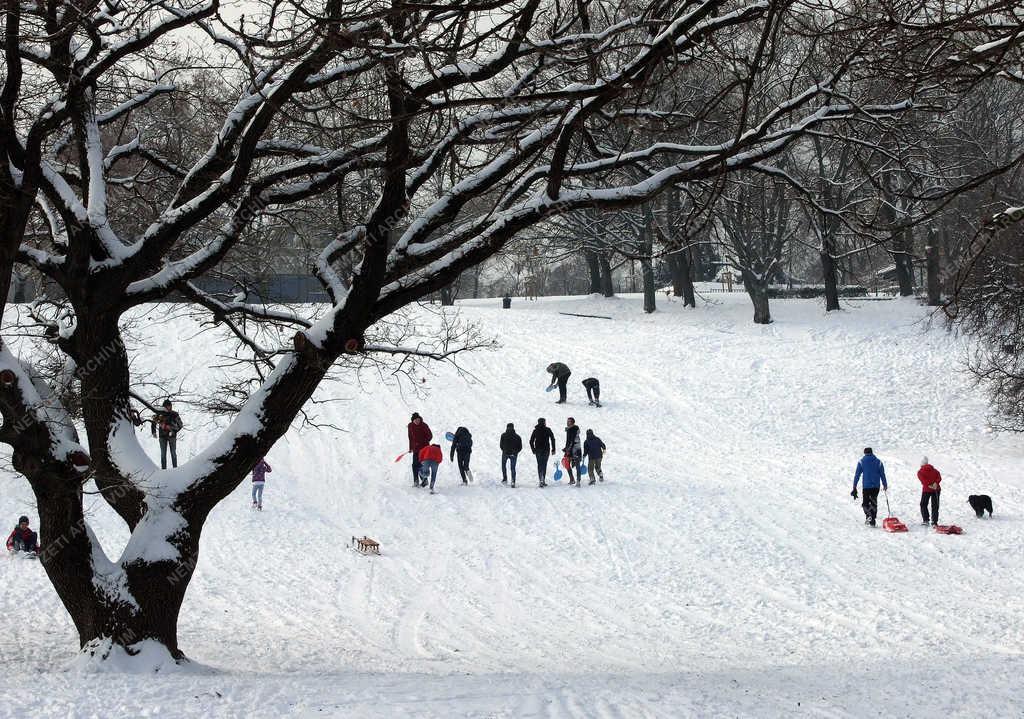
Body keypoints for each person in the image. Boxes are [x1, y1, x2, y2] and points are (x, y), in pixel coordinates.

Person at [852, 447, 888, 526]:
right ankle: (873, 519)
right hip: (876, 486)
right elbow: (882, 474)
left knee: (865, 503)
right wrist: (885, 484)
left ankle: (868, 516)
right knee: (873, 502)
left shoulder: (861, 462)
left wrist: (854, 486)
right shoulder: (878, 462)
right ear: (872, 452)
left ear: (864, 453)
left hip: (866, 486)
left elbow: (857, 475)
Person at [151, 399, 184, 469]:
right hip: (162, 436)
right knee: (163, 454)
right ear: (163, 406)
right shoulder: (159, 413)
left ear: (171, 406)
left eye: (169, 406)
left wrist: (172, 429)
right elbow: (153, 421)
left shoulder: (174, 414)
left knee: (173, 454)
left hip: (172, 436)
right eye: (166, 406)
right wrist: (153, 432)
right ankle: (163, 470)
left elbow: (180, 425)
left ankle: (175, 469)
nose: (168, 407)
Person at [529, 418, 556, 488]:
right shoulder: (548, 429)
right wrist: (553, 449)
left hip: (538, 450)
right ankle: (543, 480)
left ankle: (541, 479)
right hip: (546, 449)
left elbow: (531, 441)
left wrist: (533, 449)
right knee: (544, 464)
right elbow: (553, 439)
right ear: (544, 422)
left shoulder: (535, 430)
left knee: (539, 464)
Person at [408, 413, 433, 488]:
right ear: (413, 420)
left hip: (424, 449)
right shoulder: (410, 426)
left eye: (418, 419)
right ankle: (416, 481)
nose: (417, 421)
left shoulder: (424, 425)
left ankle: (424, 479)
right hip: (415, 449)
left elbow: (430, 436)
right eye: (415, 420)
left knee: (421, 465)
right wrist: (410, 448)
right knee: (414, 465)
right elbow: (410, 438)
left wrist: (423, 441)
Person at [917, 456, 942, 526]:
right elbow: (939, 477)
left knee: (923, 504)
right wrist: (935, 483)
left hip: (926, 490)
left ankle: (926, 520)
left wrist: (930, 485)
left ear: (921, 464)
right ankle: (934, 522)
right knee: (935, 506)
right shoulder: (934, 470)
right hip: (936, 489)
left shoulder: (920, 472)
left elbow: (924, 481)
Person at [499, 423, 523, 487]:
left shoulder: (503, 435)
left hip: (505, 453)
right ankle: (513, 481)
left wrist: (504, 451)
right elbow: (520, 447)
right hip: (513, 454)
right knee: (513, 468)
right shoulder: (517, 436)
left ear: (507, 427)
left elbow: (501, 445)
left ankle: (505, 479)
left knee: (503, 466)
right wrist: (516, 452)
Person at [563, 417, 583, 486]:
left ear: (572, 422)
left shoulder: (573, 429)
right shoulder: (569, 429)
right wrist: (566, 448)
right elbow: (568, 441)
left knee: (577, 465)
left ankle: (578, 481)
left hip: (575, 450)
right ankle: (572, 479)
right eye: (567, 421)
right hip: (571, 449)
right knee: (567, 463)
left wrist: (568, 449)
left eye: (569, 421)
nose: (567, 422)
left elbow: (572, 440)